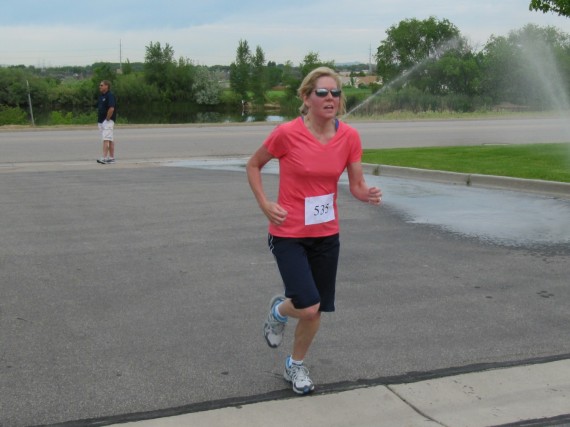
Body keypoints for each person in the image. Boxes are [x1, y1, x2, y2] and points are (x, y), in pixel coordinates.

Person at [246, 67, 382, 395]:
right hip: (288, 233)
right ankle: (279, 310)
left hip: (326, 234)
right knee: (307, 305)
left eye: (335, 92)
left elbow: (356, 184)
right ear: (306, 98)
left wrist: (366, 194)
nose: (330, 98)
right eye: (322, 92)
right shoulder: (286, 133)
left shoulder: (349, 137)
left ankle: (295, 365)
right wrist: (265, 203)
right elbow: (253, 165)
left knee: (316, 309)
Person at [96, 80, 117, 164]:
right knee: (110, 139)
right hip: (101, 121)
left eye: (101, 85)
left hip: (107, 121)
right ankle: (111, 158)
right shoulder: (101, 96)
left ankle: (104, 157)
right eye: (100, 85)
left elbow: (111, 108)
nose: (100, 86)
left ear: (106, 86)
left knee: (106, 139)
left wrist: (107, 119)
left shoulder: (110, 96)